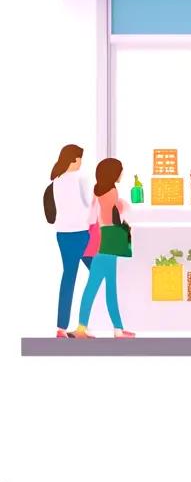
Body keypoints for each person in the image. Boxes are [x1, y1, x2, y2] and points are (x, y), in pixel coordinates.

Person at [74, 158, 135, 339]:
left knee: (98, 286)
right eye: (120, 170)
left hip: (101, 238)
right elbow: (115, 216)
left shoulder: (97, 190)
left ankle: (113, 328)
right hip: (110, 240)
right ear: (113, 173)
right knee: (102, 287)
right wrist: (122, 206)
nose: (122, 173)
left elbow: (92, 218)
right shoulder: (112, 191)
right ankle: (105, 329)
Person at [48, 144, 92, 339]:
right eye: (80, 159)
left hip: (63, 234)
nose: (81, 163)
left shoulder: (56, 181)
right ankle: (84, 326)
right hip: (82, 233)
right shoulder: (80, 178)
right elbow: (89, 204)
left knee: (69, 277)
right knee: (99, 275)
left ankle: (61, 327)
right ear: (73, 159)